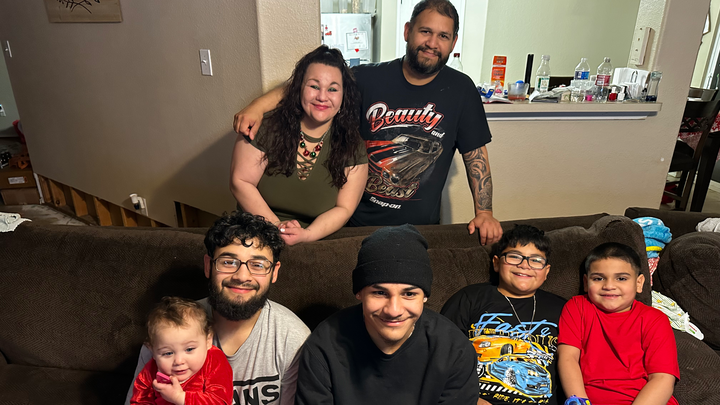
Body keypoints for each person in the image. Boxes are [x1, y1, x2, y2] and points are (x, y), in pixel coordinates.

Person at [233, 0, 502, 245]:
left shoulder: (461, 89)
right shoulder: (368, 77)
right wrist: (258, 106)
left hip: (419, 227)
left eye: (443, 36)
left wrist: (484, 212)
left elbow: (475, 155)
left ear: (453, 42)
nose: (432, 43)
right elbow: (315, 84)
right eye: (425, 31)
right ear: (408, 31)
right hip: (356, 223)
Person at [126, 212, 311, 405]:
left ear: (274, 272)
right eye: (228, 262)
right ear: (208, 266)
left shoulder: (292, 338)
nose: (242, 276)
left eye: (258, 265)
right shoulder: (168, 328)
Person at [295, 224, 478, 404]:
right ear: (359, 293)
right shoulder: (324, 345)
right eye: (380, 293)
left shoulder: (455, 350)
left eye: (409, 294)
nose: (394, 310)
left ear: (424, 296)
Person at [230, 45, 368, 246]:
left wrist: (307, 235)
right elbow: (240, 182)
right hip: (255, 232)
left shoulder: (353, 146)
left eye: (332, 89)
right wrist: (277, 228)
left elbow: (344, 209)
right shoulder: (265, 127)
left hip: (315, 240)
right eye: (314, 86)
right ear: (299, 88)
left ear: (343, 96)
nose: (322, 96)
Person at [441, 225, 567, 405]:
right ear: (496, 263)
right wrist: (470, 399)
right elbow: (441, 355)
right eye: (514, 256)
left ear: (546, 271)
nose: (524, 265)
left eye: (536, 260)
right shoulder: (470, 298)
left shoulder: (563, 308)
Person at [557, 242, 679, 405]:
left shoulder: (655, 319)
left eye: (621, 278)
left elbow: (662, 378)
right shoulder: (577, 307)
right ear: (586, 283)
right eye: (598, 278)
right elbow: (568, 358)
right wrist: (579, 401)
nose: (609, 286)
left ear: (639, 283)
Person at [130, 297, 233, 405]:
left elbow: (220, 401)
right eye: (168, 353)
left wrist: (180, 398)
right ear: (153, 351)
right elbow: (139, 401)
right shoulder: (150, 371)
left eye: (189, 349)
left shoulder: (214, 361)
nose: (179, 361)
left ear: (208, 341)